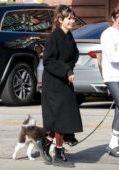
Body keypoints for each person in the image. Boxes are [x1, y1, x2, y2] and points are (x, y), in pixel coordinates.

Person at [37, 5, 83, 167]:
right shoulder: (53, 38)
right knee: (59, 117)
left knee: (65, 115)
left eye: (73, 18)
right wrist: (66, 70)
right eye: (69, 18)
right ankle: (59, 150)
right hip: (53, 83)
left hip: (65, 81)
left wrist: (69, 69)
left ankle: (45, 142)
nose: (72, 20)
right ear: (60, 20)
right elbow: (48, 61)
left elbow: (74, 55)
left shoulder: (69, 36)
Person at [101, 6, 119, 157]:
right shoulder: (107, 34)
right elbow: (112, 57)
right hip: (112, 77)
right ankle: (114, 143)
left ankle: (113, 143)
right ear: (113, 17)